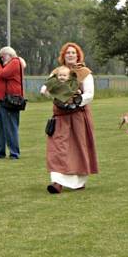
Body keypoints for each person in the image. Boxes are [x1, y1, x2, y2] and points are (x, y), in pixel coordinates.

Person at [41, 42, 99, 194]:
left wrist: (76, 101)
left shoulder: (84, 72)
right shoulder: (57, 72)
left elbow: (89, 94)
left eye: (73, 53)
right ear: (63, 55)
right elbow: (46, 88)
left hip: (78, 115)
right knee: (57, 148)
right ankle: (57, 182)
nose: (71, 55)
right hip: (60, 116)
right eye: (68, 53)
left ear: (78, 55)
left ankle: (78, 182)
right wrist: (56, 97)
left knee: (78, 148)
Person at [0, 46, 26, 160]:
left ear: (8, 55)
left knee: (10, 127)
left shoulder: (15, 62)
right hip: (3, 100)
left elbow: (3, 74)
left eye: (2, 56)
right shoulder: (10, 63)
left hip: (10, 100)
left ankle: (14, 153)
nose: (1, 58)